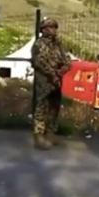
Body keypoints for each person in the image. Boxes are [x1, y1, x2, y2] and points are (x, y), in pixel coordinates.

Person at [31, 18, 70, 150]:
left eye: (54, 27)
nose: (53, 30)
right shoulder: (39, 44)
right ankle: (39, 137)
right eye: (50, 27)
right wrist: (52, 75)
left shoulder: (58, 44)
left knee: (54, 108)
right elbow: (40, 63)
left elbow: (67, 59)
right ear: (43, 30)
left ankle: (50, 134)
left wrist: (63, 69)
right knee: (41, 108)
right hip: (44, 81)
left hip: (57, 81)